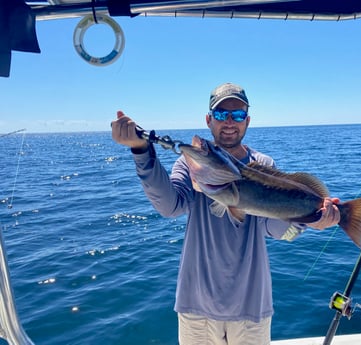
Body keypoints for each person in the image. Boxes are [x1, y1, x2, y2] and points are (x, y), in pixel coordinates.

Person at [111, 82, 340, 345]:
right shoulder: (190, 163)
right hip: (195, 306)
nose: (229, 121)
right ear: (209, 120)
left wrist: (310, 222)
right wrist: (141, 150)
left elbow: (275, 230)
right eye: (221, 114)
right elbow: (170, 206)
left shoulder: (264, 166)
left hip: (251, 308)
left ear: (248, 121)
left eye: (238, 114)